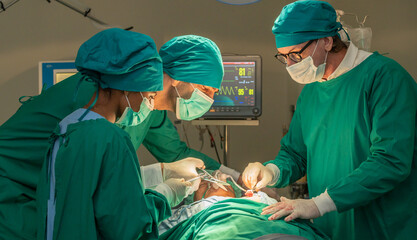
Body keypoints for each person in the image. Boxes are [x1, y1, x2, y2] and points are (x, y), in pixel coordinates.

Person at [0, 33, 231, 239]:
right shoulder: (93, 124)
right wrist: (165, 193)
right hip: (16, 194)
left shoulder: (93, 120)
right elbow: (124, 222)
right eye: (149, 94)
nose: (151, 100)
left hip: (56, 198)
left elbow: (101, 181)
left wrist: (163, 173)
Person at [242, 1, 417, 239]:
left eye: (295, 54)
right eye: (283, 57)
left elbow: (390, 161)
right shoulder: (311, 91)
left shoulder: (385, 78)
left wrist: (318, 204)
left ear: (326, 41)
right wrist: (271, 171)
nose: (290, 65)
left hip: (380, 226)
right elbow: (296, 154)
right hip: (330, 227)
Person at [34, 28, 196, 240]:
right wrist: (165, 194)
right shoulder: (111, 139)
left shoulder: (66, 129)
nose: (147, 105)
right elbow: (127, 228)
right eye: (148, 95)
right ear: (128, 89)